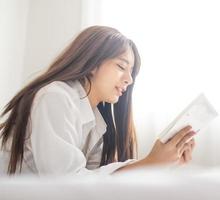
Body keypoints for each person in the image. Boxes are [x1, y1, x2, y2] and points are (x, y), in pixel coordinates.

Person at [0, 26, 196, 175]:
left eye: (132, 72)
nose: (129, 79)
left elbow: (96, 185)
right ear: (92, 63)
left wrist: (159, 166)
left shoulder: (96, 123)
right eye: (121, 66)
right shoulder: (55, 97)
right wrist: (148, 163)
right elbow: (64, 186)